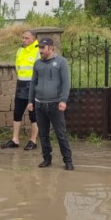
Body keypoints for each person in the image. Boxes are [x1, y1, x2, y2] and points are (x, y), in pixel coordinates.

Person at [27, 37, 74, 170]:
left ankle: (68, 161)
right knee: (43, 134)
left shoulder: (61, 62)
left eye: (43, 48)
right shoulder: (37, 64)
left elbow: (66, 83)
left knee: (61, 134)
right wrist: (30, 101)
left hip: (55, 104)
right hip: (40, 105)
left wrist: (63, 100)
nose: (40, 50)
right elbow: (33, 83)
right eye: (39, 48)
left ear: (51, 48)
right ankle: (47, 159)